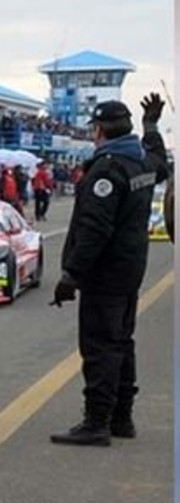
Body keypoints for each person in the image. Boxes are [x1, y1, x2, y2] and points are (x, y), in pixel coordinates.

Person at [49, 95, 170, 447]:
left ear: (98, 130)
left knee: (100, 346)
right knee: (121, 341)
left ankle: (97, 422)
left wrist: (71, 274)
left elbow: (94, 228)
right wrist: (151, 128)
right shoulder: (141, 161)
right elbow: (162, 163)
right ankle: (121, 418)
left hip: (106, 273)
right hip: (131, 267)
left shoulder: (107, 168)